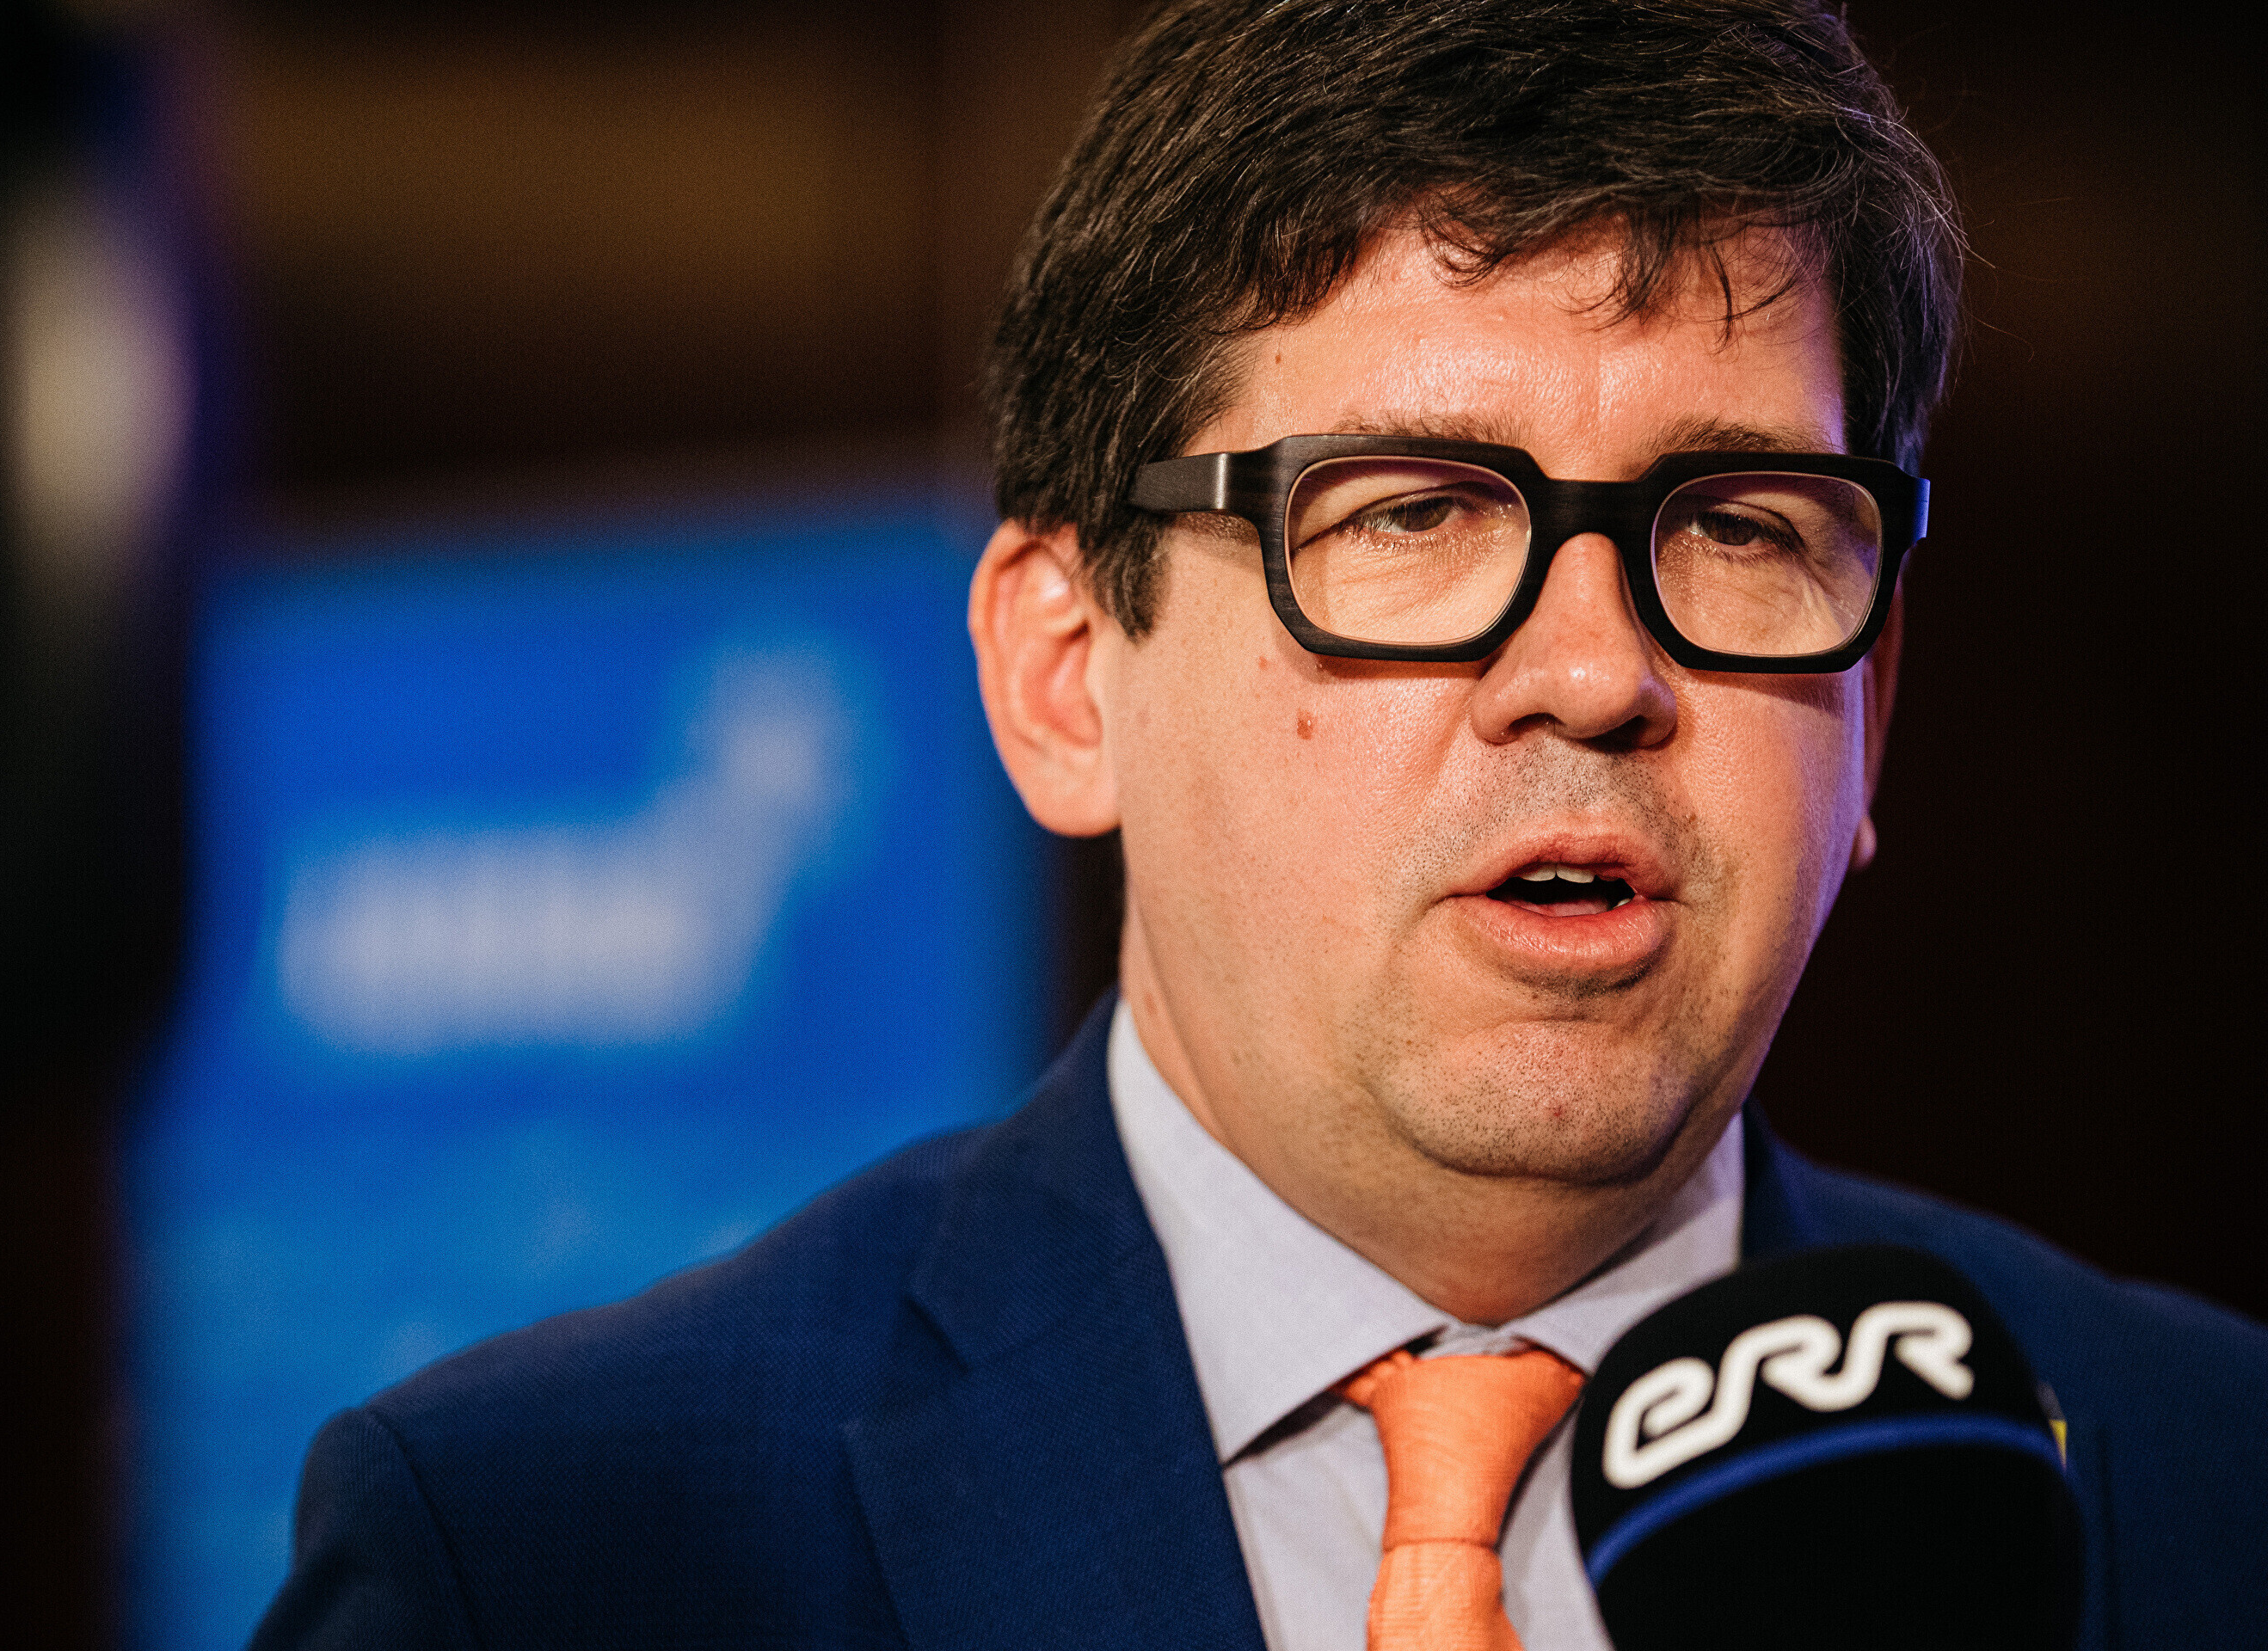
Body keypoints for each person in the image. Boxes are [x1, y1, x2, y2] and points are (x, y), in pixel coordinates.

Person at [248, 3, 2268, 1648]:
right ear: (1067, 677)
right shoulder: (544, 1551)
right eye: (1413, 513)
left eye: (1738, 530)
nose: (1595, 671)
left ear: (1872, 708)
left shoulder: (2208, 1486)